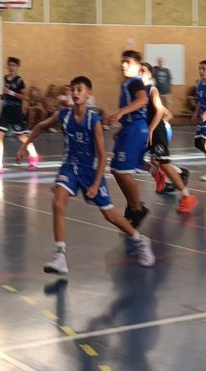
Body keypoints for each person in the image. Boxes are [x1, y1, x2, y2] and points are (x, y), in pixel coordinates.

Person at [17, 76, 155, 274]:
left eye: (79, 89)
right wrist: (24, 147)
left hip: (90, 171)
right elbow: (40, 126)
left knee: (109, 215)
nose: (75, 93)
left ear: (89, 94)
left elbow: (102, 157)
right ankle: (60, 256)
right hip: (70, 167)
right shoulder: (63, 115)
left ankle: (140, 240)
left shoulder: (93, 120)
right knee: (58, 202)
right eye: (72, 89)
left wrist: (96, 184)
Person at [141, 63, 197, 213]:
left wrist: (152, 128)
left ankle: (187, 196)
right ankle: (155, 172)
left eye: (142, 71)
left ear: (150, 74)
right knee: (133, 157)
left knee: (164, 163)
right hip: (144, 132)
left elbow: (162, 112)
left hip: (157, 131)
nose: (139, 73)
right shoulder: (137, 92)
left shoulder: (151, 90)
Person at [107, 50, 151, 227]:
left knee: (123, 172)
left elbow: (142, 100)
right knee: (116, 170)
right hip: (129, 128)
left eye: (128, 62)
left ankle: (138, 207)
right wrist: (121, 126)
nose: (124, 65)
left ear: (138, 66)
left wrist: (120, 113)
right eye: (123, 61)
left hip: (136, 129)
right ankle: (133, 205)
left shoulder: (135, 82)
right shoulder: (126, 84)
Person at [0, 57, 39, 172]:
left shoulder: (19, 80)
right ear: (7, 66)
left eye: (14, 65)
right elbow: (7, 93)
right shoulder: (6, 78)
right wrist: (4, 96)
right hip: (5, 111)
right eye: (10, 65)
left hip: (15, 112)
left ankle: (34, 157)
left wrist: (10, 92)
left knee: (22, 137)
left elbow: (25, 97)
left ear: (17, 67)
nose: (11, 67)